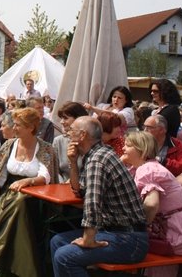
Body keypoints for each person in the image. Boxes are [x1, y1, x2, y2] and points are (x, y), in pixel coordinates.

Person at [50, 116, 148, 277]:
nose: (67, 132)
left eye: (72, 130)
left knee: (65, 257)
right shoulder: (97, 155)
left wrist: (88, 239)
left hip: (129, 240)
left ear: (82, 135)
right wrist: (73, 163)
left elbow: (92, 202)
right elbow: (78, 190)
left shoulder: (97, 160)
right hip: (114, 233)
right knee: (57, 241)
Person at [0, 107, 58, 276]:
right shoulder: (8, 145)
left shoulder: (45, 148)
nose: (14, 128)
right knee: (17, 206)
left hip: (36, 196)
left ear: (30, 127)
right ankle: (12, 263)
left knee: (21, 202)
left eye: (18, 125)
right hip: (8, 194)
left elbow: (46, 176)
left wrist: (28, 181)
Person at [121, 131, 182, 276]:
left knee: (124, 241)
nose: (123, 148)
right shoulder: (146, 167)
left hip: (177, 233)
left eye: (128, 145)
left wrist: (140, 228)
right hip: (177, 228)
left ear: (141, 149)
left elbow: (151, 204)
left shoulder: (147, 170)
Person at [52, 102, 88, 182]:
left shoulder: (89, 141)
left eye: (65, 118)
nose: (61, 122)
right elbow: (54, 170)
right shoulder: (58, 141)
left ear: (78, 119)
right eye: (61, 118)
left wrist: (72, 181)